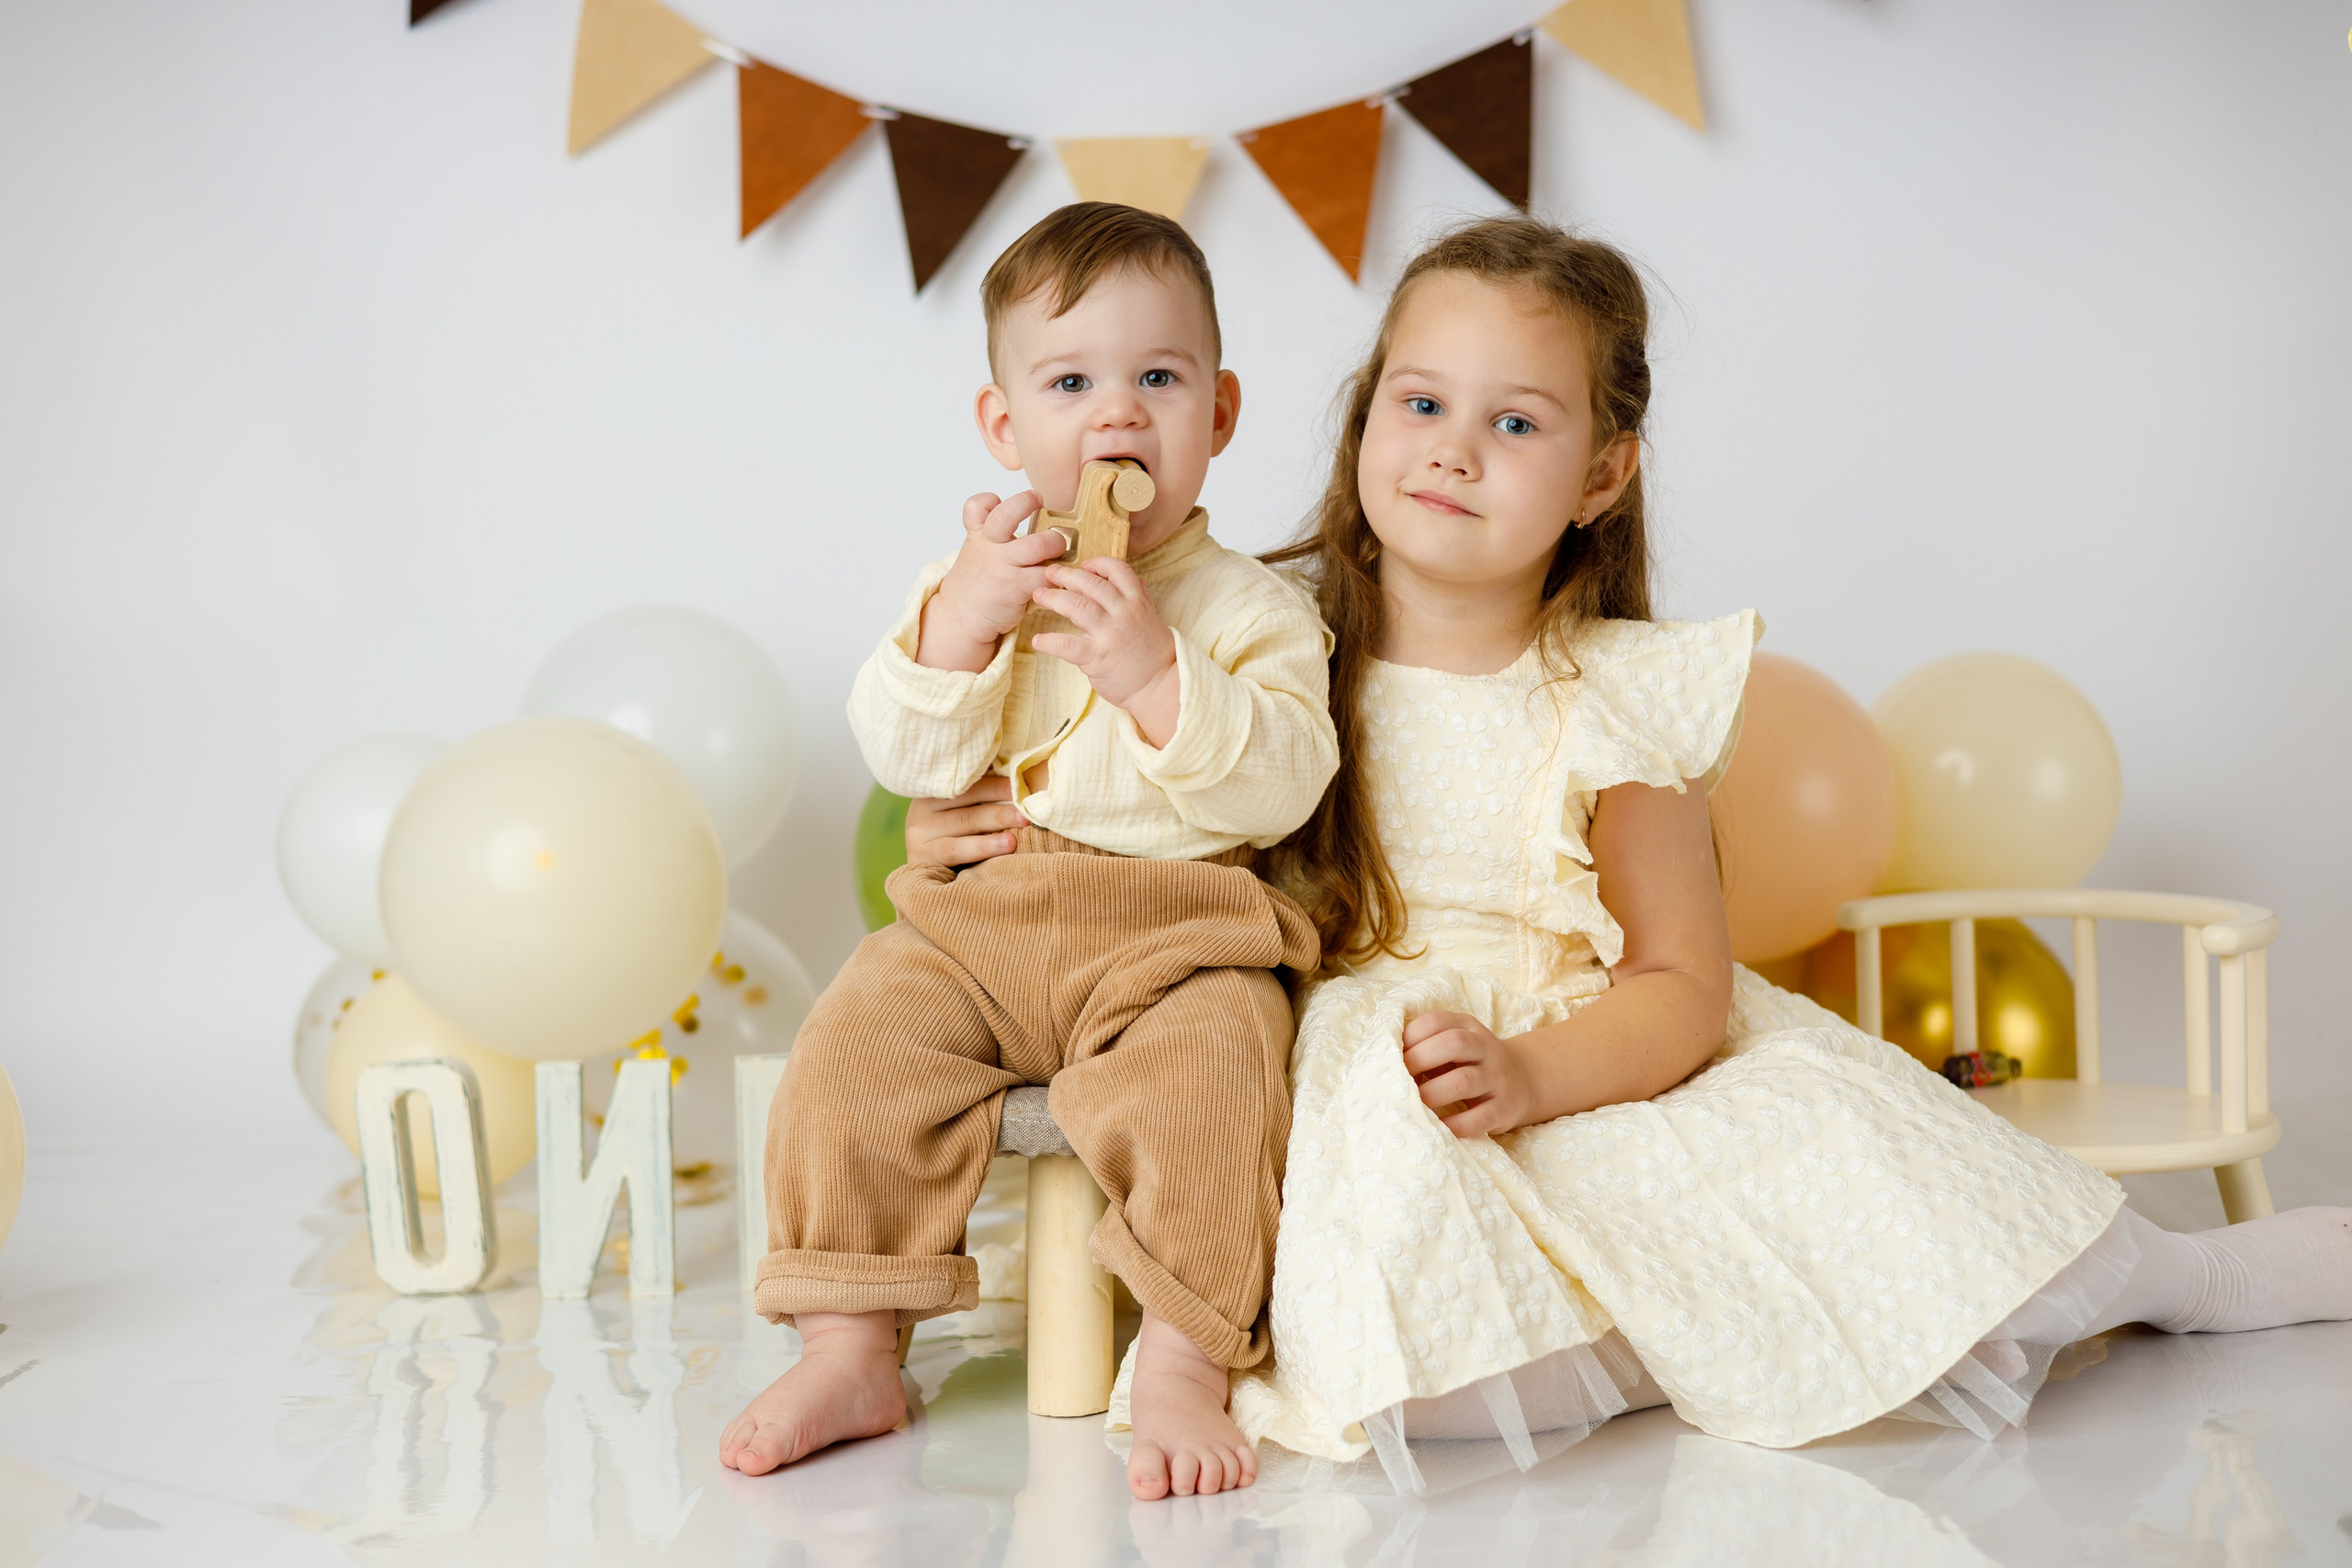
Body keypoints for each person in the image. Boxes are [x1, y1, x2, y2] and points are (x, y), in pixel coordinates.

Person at [910, 213, 2352, 1495]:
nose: (1454, 449)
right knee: (1388, 1369)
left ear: (1602, 473)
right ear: (1364, 421)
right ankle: (1697, 1322)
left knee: (1871, 1181)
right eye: (1421, 402)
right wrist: (951, 820)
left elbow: (1681, 983)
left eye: (1516, 423)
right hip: (1368, 1070)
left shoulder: (1613, 698)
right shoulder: (1251, 638)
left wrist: (1537, 1073)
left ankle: (2186, 1275)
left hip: (1594, 1060)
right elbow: (1091, 784)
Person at [720, 202, 1337, 1502]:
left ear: (1219, 413)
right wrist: (960, 625)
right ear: (1004, 426)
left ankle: (1183, 1358)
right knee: (853, 1046)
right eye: (1070, 385)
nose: (1117, 416)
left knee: (1220, 1076)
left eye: (1158, 379)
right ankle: (852, 1347)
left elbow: (1289, 781)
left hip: (1177, 939)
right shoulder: (975, 584)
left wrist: (1158, 676)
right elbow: (908, 753)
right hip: (979, 931)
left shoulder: (1254, 608)